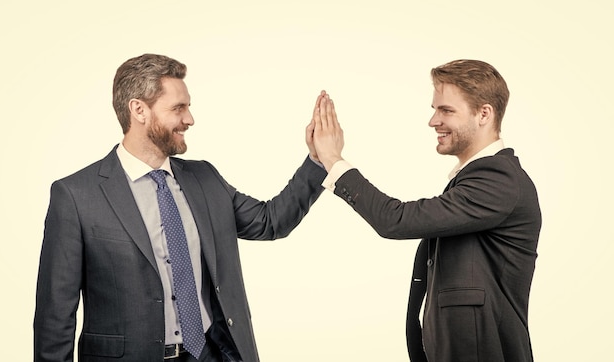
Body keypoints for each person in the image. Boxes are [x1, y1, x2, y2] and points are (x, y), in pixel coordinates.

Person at [34, 53, 327, 362]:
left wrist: (318, 160)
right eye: (178, 108)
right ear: (139, 110)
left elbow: (270, 222)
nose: (189, 119)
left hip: (211, 354)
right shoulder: (77, 195)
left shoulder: (205, 178)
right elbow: (56, 316)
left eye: (188, 106)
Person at [310, 60, 541, 361]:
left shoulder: (499, 180)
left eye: (446, 110)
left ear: (484, 114)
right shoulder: (475, 180)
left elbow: (395, 220)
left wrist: (333, 160)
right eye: (435, 109)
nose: (433, 121)